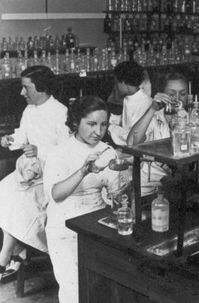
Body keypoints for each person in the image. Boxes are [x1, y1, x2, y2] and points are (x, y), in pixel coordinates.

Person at [44, 96, 121, 303]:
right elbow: (56, 195)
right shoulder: (60, 153)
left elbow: (117, 195)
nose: (98, 131)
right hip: (64, 228)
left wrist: (123, 177)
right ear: (76, 121)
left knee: (104, 286)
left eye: (103, 124)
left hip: (96, 224)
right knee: (75, 290)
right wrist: (83, 170)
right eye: (91, 124)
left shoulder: (107, 151)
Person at [0, 65, 69, 280]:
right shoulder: (29, 110)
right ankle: (16, 250)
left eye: (26, 88)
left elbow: (66, 150)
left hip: (52, 175)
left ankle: (6, 256)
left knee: (19, 203)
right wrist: (11, 140)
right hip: (30, 171)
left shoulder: (61, 112)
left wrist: (41, 151)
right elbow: (22, 135)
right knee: (3, 190)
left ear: (41, 88)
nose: (22, 93)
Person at [108, 61, 153, 146]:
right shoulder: (129, 98)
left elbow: (133, 138)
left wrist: (111, 128)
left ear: (124, 82)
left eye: (117, 82)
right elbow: (127, 122)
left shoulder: (144, 103)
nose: (116, 86)